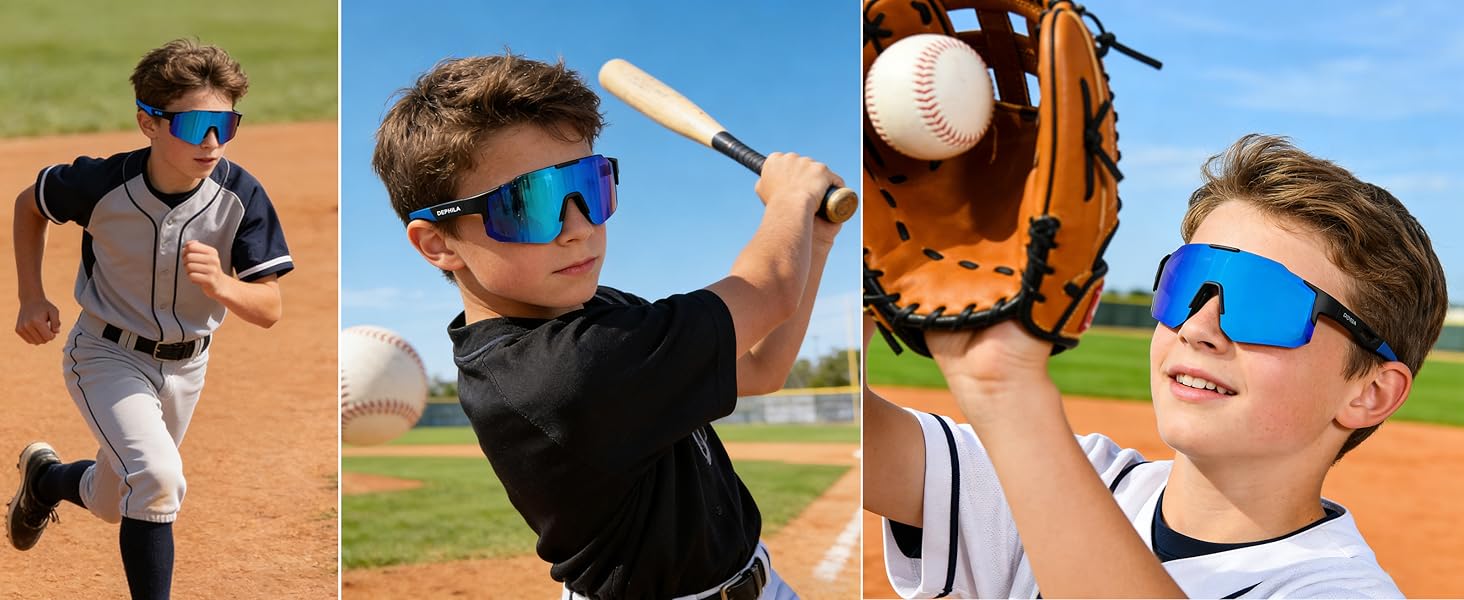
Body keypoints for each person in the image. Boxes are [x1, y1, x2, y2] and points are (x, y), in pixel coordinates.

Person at [864, 134, 1446, 598]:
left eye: (1262, 302)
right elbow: (858, 438)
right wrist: (858, 241)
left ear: (1369, 393)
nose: (1197, 327)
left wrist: (1008, 393)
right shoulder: (1076, 479)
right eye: (1188, 284)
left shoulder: (1338, 591)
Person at [370, 53, 845, 599]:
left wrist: (818, 236)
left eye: (588, 187)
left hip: (761, 580)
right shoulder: (561, 372)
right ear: (437, 243)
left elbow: (763, 367)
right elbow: (770, 290)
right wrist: (788, 198)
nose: (577, 227)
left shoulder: (597, 311)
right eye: (529, 204)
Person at [7, 39, 293, 600]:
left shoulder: (241, 195)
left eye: (225, 125)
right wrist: (29, 295)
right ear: (149, 122)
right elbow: (29, 205)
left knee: (117, 500)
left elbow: (269, 308)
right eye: (194, 126)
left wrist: (223, 284)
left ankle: (43, 479)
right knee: (159, 482)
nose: (211, 143)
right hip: (105, 356)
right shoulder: (101, 184)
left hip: (189, 369)